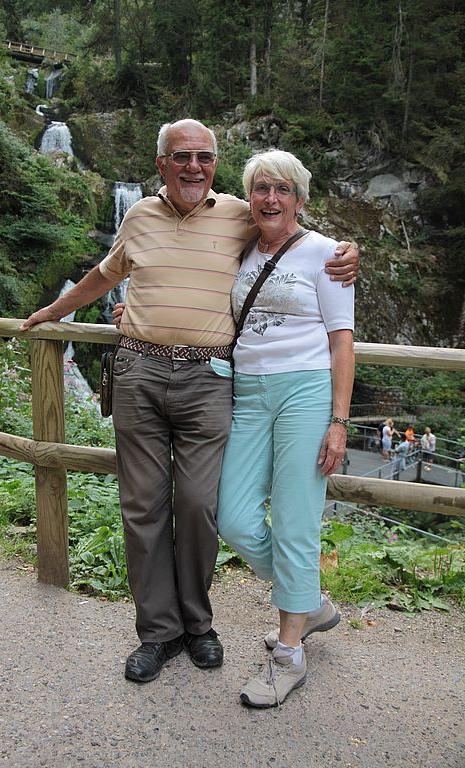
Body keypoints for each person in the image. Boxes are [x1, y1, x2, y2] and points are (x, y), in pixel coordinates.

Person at [20, 119, 359, 685]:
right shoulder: (137, 216)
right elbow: (104, 275)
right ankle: (159, 632)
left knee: (203, 503)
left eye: (204, 157)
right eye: (181, 156)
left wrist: (350, 251)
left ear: (216, 164)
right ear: (162, 163)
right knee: (143, 507)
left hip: (209, 377)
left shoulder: (240, 215)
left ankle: (200, 624)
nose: (193, 167)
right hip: (139, 370)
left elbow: (293, 235)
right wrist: (54, 313)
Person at [216, 148, 355, 708]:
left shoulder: (328, 253)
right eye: (261, 188)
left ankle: (289, 655)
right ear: (250, 197)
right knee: (233, 517)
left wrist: (338, 421)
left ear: (300, 198)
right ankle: (308, 599)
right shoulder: (243, 248)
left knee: (296, 520)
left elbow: (341, 341)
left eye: (283, 189)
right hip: (248, 392)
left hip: (306, 392)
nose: (271, 198)